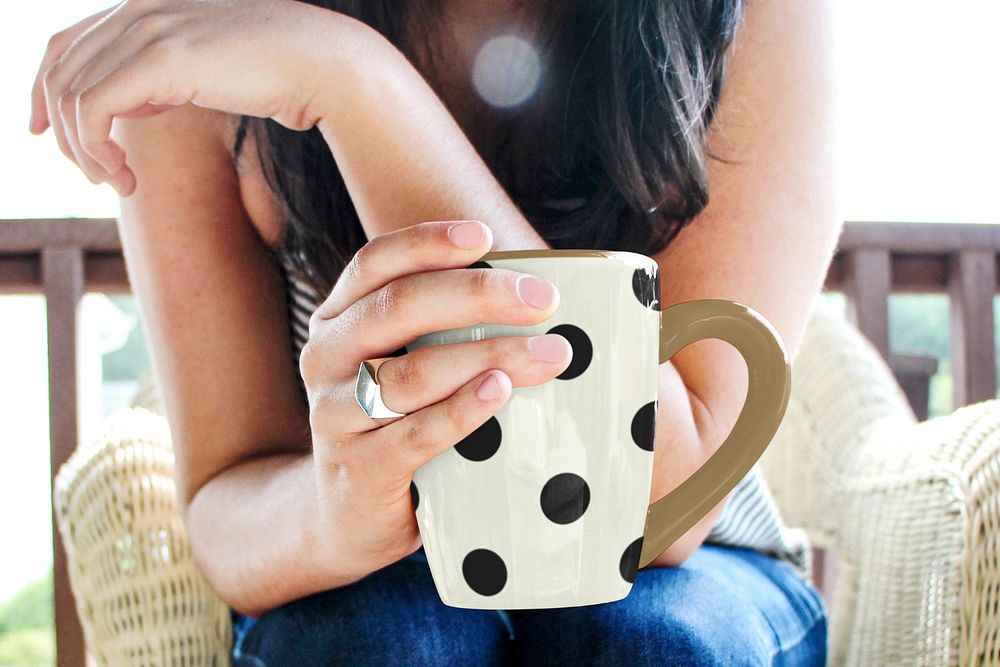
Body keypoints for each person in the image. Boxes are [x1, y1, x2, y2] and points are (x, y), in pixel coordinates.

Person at [29, 0, 838, 663]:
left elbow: (657, 508)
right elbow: (224, 501)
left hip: (698, 567)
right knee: (378, 640)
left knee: (651, 639)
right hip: (358, 576)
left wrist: (353, 82)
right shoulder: (199, 49)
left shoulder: (754, 18)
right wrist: (333, 510)